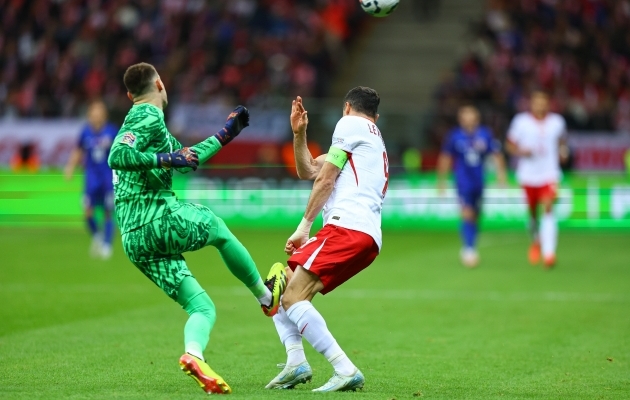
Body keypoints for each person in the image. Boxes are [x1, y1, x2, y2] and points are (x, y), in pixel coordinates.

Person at [107, 62, 286, 394]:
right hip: (155, 218)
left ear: (130, 93)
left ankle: (194, 356)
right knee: (217, 227)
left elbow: (187, 157)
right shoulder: (145, 116)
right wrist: (164, 160)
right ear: (159, 84)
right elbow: (117, 155)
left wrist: (226, 134)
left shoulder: (154, 127)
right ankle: (266, 297)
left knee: (202, 307)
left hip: (134, 239)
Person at [265, 88, 387, 392]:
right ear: (377, 115)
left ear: (346, 107)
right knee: (283, 286)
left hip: (347, 227)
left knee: (290, 296)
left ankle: (344, 368)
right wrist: (299, 134)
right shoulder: (371, 137)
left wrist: (304, 226)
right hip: (364, 234)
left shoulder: (349, 125)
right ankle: (296, 362)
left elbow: (326, 178)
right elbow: (309, 169)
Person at [437, 105, 507, 267]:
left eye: (471, 116)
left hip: (480, 180)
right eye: (464, 116)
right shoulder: (454, 136)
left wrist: (501, 175)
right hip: (463, 181)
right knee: (467, 213)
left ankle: (471, 244)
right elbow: (445, 158)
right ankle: (468, 249)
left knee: (476, 215)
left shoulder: (485, 134)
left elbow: (496, 154)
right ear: (461, 119)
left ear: (476, 118)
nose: (468, 120)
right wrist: (441, 181)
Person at [506, 90, 568, 268]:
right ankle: (536, 240)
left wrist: (563, 153)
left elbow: (562, 142)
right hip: (528, 174)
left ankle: (549, 254)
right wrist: (520, 151)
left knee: (548, 207)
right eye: (536, 102)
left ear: (548, 104)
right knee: (533, 214)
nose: (540, 105)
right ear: (531, 104)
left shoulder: (557, 122)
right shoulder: (521, 122)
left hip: (550, 173)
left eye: (543, 102)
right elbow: (509, 145)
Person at [65, 101, 118, 258]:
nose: (96, 116)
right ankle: (97, 236)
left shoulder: (112, 131)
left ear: (104, 115)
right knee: (87, 212)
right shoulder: (85, 132)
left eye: (99, 113)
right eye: (93, 113)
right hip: (91, 179)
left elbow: (121, 152)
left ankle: (107, 246)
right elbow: (78, 150)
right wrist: (70, 167)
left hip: (108, 178)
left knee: (108, 212)